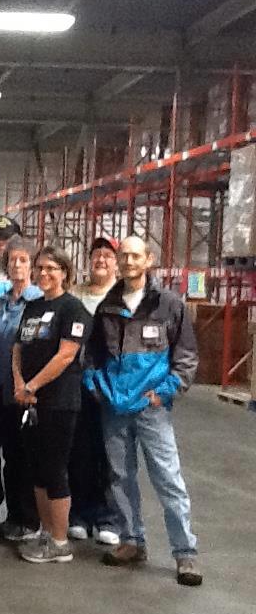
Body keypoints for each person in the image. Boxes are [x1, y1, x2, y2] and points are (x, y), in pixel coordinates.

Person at [84, 236, 201, 587]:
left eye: (136, 255)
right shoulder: (109, 304)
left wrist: (163, 393)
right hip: (115, 408)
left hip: (152, 409)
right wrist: (96, 386)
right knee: (120, 477)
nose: (129, 261)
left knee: (167, 478)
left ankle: (185, 552)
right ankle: (131, 541)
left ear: (148, 260)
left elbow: (186, 358)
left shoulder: (168, 304)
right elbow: (92, 355)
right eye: (125, 256)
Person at [13, 247, 92, 564]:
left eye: (52, 268)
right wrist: (20, 383)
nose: (44, 273)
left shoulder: (73, 309)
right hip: (29, 401)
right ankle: (46, 532)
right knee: (38, 469)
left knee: (55, 469)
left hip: (59, 402)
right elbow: (18, 348)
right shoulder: (31, 307)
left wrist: (33, 385)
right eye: (40, 268)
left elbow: (65, 355)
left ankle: (60, 542)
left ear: (65, 272)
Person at [0, 236, 43, 541]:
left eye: (23, 260)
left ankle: (21, 516)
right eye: (12, 260)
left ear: (32, 265)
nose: (16, 265)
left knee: (17, 457)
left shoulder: (39, 302)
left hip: (21, 392)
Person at [68, 237, 120, 545]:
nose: (101, 259)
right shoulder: (77, 296)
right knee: (81, 451)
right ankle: (80, 514)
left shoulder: (122, 298)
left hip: (112, 387)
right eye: (96, 254)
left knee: (111, 453)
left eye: (107, 255)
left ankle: (108, 518)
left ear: (116, 262)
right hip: (77, 384)